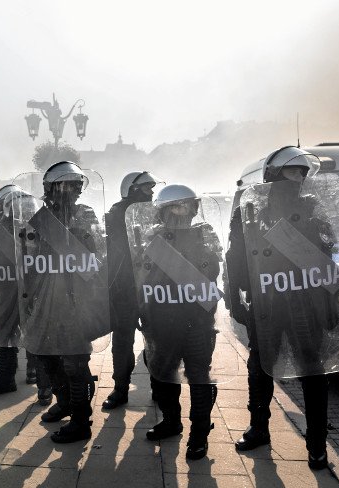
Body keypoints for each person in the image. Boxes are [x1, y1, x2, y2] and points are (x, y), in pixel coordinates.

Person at [226, 146, 339, 470]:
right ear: (273, 175)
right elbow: (236, 255)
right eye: (291, 172)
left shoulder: (313, 207)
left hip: (303, 301)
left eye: (302, 173)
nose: (298, 178)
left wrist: (330, 296)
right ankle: (259, 428)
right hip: (268, 300)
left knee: (312, 370)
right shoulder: (251, 209)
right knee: (260, 367)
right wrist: (237, 296)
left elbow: (328, 250)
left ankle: (316, 445)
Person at [16, 161, 109, 443]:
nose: (73, 191)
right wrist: (28, 296)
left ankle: (81, 422)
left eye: (76, 186)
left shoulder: (87, 216)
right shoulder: (39, 219)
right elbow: (29, 260)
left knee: (75, 362)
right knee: (45, 356)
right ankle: (65, 401)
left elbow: (99, 256)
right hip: (46, 299)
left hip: (75, 300)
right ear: (51, 188)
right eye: (66, 186)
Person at [130, 184, 223, 459]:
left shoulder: (205, 236)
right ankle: (171, 421)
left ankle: (199, 435)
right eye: (174, 207)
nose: (181, 213)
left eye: (186, 206)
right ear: (162, 212)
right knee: (161, 373)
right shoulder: (151, 239)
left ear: (194, 209)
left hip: (197, 321)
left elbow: (214, 269)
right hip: (162, 320)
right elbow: (141, 275)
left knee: (199, 377)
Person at [0, 185, 51, 404]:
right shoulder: (13, 228)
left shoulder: (12, 228)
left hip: (16, 287)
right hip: (15, 286)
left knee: (13, 332)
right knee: (19, 331)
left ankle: (15, 376)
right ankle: (25, 374)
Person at [102, 171, 159, 409]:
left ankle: (160, 386)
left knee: (156, 340)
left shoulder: (158, 214)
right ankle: (120, 388)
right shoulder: (115, 216)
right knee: (123, 341)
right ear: (133, 191)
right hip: (124, 287)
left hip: (152, 286)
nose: (152, 193)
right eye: (147, 188)